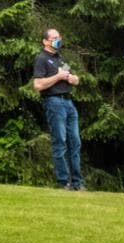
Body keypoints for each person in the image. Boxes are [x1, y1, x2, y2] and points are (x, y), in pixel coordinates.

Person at [31, 26, 84, 191]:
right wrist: (58, 77)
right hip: (54, 102)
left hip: (69, 103)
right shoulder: (42, 59)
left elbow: (75, 80)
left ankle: (77, 182)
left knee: (75, 142)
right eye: (54, 37)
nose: (57, 39)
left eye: (58, 37)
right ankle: (63, 182)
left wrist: (71, 78)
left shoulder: (60, 59)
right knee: (60, 141)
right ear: (45, 41)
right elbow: (38, 85)